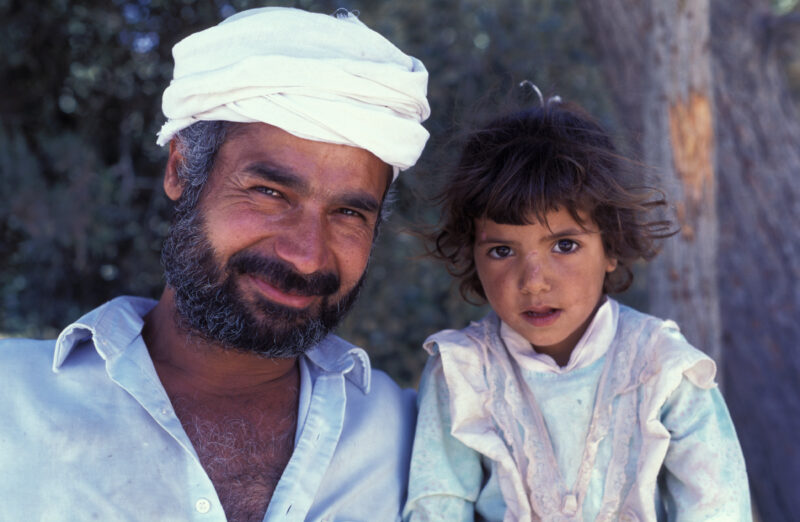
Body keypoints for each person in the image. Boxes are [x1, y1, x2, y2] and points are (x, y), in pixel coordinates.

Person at [0, 7, 430, 522]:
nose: (307, 255)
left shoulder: (415, 440)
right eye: (269, 193)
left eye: (348, 213)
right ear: (181, 171)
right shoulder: (11, 398)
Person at [403, 98, 751, 521]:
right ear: (473, 257)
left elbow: (717, 507)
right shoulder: (462, 371)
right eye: (502, 251)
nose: (533, 281)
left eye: (565, 245)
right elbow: (436, 506)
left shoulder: (663, 367)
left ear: (611, 247)